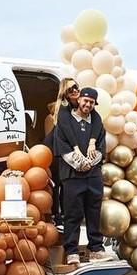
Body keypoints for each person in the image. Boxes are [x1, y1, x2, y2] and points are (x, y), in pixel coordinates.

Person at [52, 86, 112, 267]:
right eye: (85, 101)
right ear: (78, 100)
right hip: (72, 176)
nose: (88, 105)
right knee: (73, 214)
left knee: (94, 213)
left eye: (92, 103)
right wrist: (79, 163)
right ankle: (71, 251)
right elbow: (62, 148)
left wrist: (90, 163)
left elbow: (101, 148)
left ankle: (96, 249)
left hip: (93, 176)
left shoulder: (97, 124)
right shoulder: (65, 122)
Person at [42, 78, 81, 229]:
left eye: (76, 87)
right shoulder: (64, 108)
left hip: (63, 148)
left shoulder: (76, 106)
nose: (75, 90)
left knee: (65, 183)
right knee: (59, 183)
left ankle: (62, 215)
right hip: (55, 149)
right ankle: (57, 216)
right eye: (71, 89)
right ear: (65, 92)